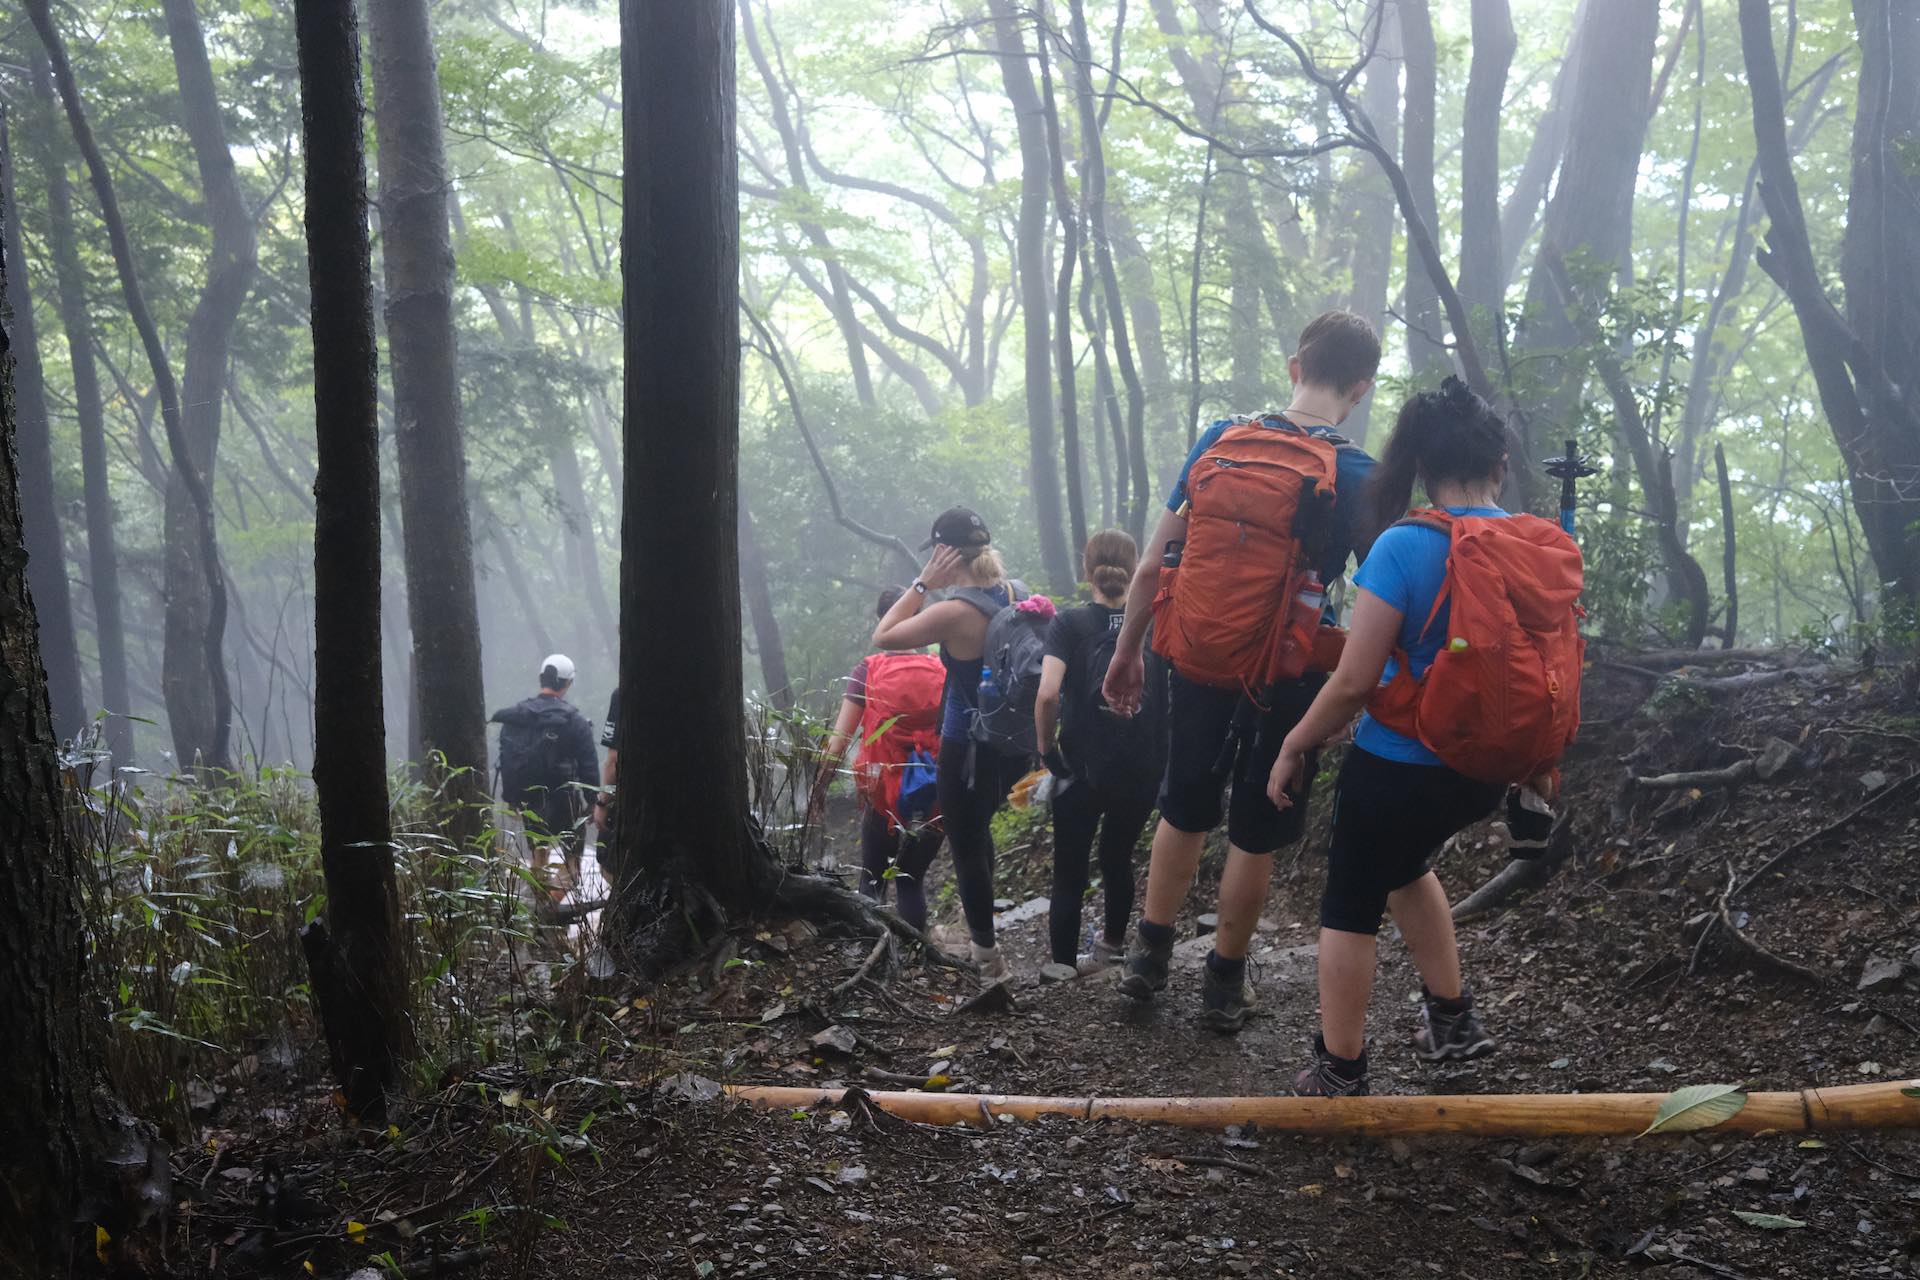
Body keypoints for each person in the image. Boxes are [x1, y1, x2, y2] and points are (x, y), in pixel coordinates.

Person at [1102, 311, 1381, 1032]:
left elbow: (1152, 561)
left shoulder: (1221, 438)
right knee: (1256, 825)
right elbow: (1385, 595)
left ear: (1294, 365)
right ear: (1360, 387)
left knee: (1183, 805)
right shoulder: (1357, 475)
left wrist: (1128, 649)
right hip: (1284, 672)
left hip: (1191, 651)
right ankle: (1224, 982)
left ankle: (1147, 958)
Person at [1264, 376, 1514, 1096]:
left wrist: (1295, 744)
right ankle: (1453, 1021)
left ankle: (1340, 1069)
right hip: (1483, 769)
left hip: (1399, 763)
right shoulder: (1531, 544)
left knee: (1349, 901)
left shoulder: (1405, 547)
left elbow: (1351, 682)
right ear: (1500, 463)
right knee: (1404, 865)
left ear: (1419, 469)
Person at [871, 506, 1031, 981]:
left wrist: (921, 584)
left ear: (945, 554)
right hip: (1015, 744)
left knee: (965, 844)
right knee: (979, 833)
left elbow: (884, 636)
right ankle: (984, 933)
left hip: (968, 750)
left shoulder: (950, 612)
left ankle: (986, 958)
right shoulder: (1016, 593)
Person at [1034, 531, 1166, 982]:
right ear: (1135, 569)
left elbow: (1048, 693)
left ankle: (1063, 969)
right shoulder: (1156, 621)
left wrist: (1046, 750)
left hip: (1080, 766)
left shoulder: (1069, 624)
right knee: (1117, 856)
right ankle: (1110, 948)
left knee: (1070, 870)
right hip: (1141, 766)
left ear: (1087, 570)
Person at [808, 587, 947, 931]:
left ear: (882, 621)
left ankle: (873, 955)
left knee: (872, 880)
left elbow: (839, 740)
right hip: (933, 791)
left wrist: (819, 789)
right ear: (918, 621)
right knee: (911, 881)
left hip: (882, 792)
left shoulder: (867, 670)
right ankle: (918, 954)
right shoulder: (942, 668)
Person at [492, 654, 599, 893]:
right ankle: (551, 911)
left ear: (542, 678)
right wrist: (594, 802)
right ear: (568, 683)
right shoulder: (574, 721)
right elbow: (589, 765)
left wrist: (511, 799)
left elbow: (507, 758)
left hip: (530, 801)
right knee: (572, 866)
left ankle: (542, 917)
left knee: (538, 859)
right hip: (566, 801)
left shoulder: (517, 717)